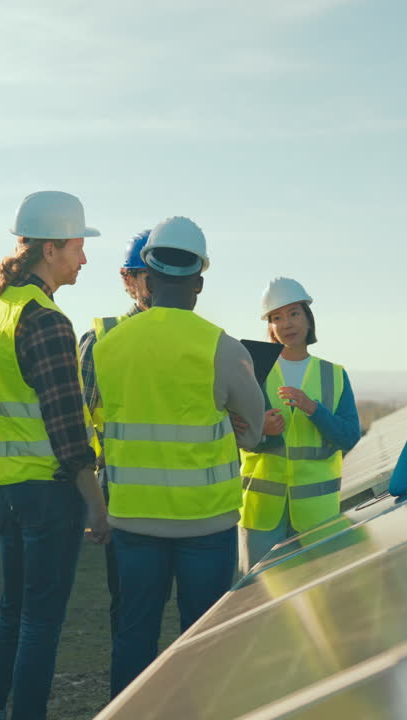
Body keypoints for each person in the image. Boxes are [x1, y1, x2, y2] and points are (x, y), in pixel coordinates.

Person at [91, 216, 265, 697]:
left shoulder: (107, 347)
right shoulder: (222, 348)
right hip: (205, 526)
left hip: (132, 522)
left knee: (133, 637)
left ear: (147, 274)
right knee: (205, 640)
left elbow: (103, 422)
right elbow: (253, 432)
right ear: (200, 282)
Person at [0, 190, 110, 720]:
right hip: (49, 490)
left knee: (12, 613)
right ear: (49, 249)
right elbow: (68, 427)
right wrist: (95, 503)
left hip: (5, 487)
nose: (83, 258)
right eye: (77, 246)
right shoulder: (45, 319)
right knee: (41, 622)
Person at [237, 277, 361, 575]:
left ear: (308, 319)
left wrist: (313, 409)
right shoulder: (251, 368)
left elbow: (349, 436)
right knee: (258, 604)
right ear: (269, 326)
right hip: (262, 515)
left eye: (293, 313)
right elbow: (234, 434)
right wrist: (261, 432)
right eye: (276, 317)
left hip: (317, 516)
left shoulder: (334, 374)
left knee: (322, 604)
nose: (286, 323)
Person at [76, 228, 152, 642]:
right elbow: (81, 427)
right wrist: (94, 501)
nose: (157, 282)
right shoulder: (100, 342)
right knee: (131, 618)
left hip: (194, 508)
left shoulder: (203, 342)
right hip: (125, 505)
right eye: (146, 273)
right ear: (128, 280)